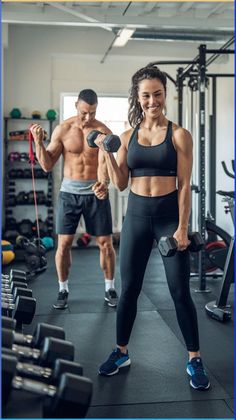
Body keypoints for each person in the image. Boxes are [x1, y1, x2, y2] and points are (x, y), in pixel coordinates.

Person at [94, 66, 210, 390]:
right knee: (128, 289)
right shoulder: (128, 136)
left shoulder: (178, 134)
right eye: (146, 95)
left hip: (169, 218)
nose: (152, 100)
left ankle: (194, 358)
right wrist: (106, 152)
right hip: (136, 218)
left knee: (179, 292)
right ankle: (121, 352)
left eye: (157, 94)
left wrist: (183, 228)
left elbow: (185, 185)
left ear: (164, 95)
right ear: (138, 97)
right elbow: (119, 183)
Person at [30, 89, 118, 310]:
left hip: (95, 194)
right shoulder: (63, 129)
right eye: (84, 112)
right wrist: (38, 142)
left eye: (93, 113)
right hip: (69, 194)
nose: (88, 117)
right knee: (64, 244)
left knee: (106, 244)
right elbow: (47, 164)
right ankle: (63, 289)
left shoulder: (102, 131)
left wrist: (103, 183)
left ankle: (109, 287)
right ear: (76, 106)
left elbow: (104, 163)